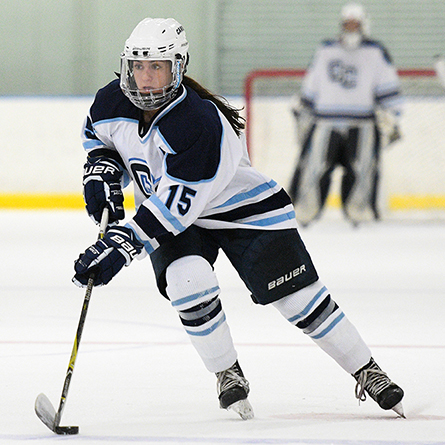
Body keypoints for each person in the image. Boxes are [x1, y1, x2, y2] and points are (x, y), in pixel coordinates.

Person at [73, 17, 405, 420]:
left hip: (243, 211)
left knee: (299, 299)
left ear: (178, 67)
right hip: (176, 215)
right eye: (139, 66)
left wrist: (121, 245)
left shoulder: (198, 122)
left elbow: (176, 208)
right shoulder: (110, 101)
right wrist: (103, 168)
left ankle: (367, 370)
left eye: (156, 67)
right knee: (187, 280)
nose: (145, 79)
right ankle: (227, 373)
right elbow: (101, 140)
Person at [289, 3, 403, 227]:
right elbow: (310, 88)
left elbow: (388, 88)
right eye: (347, 24)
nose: (351, 28)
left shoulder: (376, 52)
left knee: (362, 171)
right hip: (324, 121)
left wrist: (392, 115)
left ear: (364, 25)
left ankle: (359, 213)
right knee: (313, 168)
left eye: (355, 24)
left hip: (363, 123)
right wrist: (303, 110)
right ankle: (304, 212)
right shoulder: (325, 50)